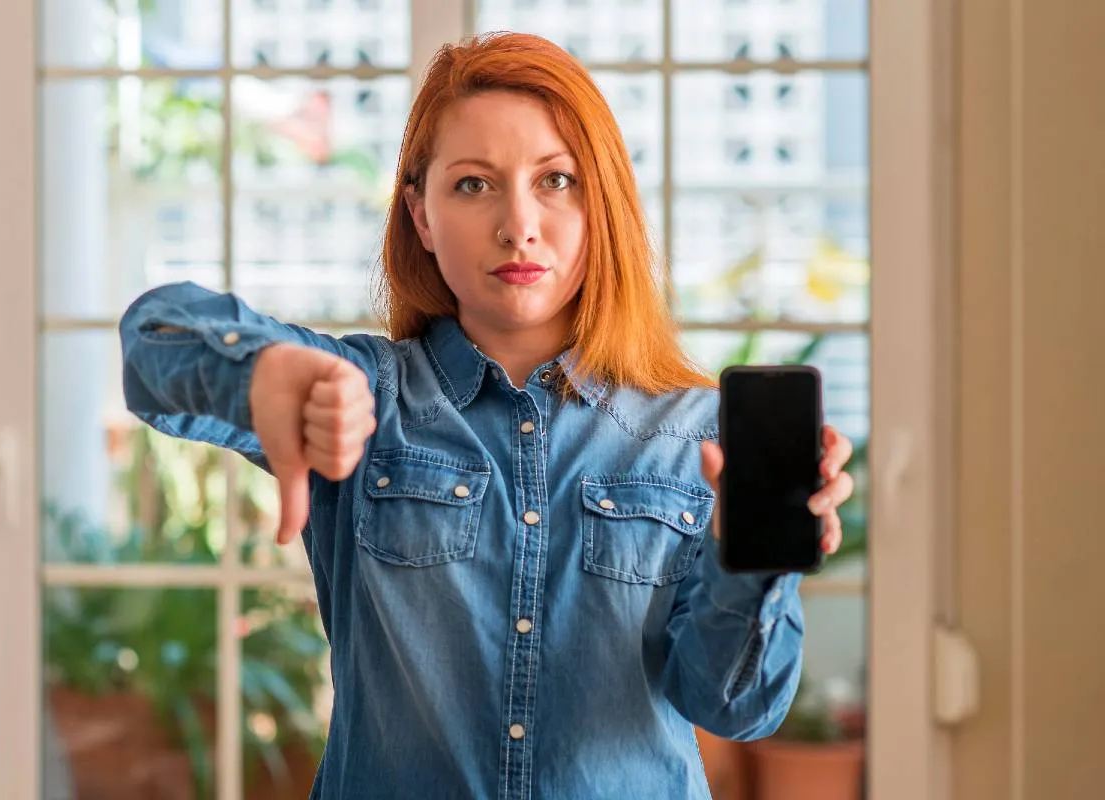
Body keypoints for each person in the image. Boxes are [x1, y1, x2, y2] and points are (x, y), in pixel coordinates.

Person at [120, 31, 855, 800]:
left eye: (557, 180)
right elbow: (151, 342)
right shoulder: (357, 394)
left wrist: (753, 561)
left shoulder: (698, 437)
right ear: (421, 216)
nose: (519, 224)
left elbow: (735, 708)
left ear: (600, 204)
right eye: (473, 185)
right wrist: (260, 371)